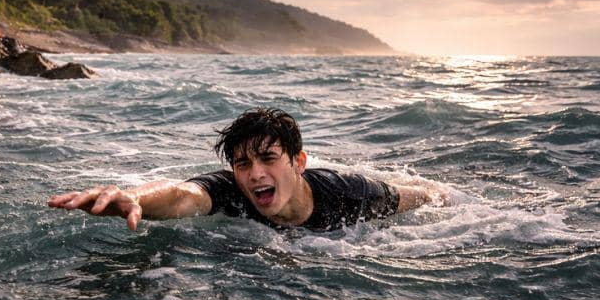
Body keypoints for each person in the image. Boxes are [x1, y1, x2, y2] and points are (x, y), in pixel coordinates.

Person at [47, 108, 431, 232]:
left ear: (298, 162)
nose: (255, 174)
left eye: (268, 159)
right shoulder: (231, 191)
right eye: (243, 164)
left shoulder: (349, 193)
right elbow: (182, 195)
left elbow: (423, 198)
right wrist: (136, 199)